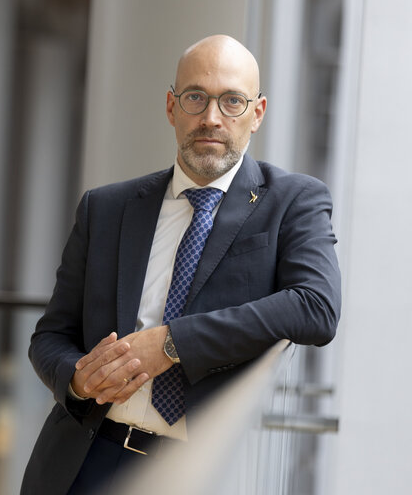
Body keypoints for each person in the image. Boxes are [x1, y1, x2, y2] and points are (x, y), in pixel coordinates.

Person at [20, 34, 341, 494]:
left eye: (232, 101)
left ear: (258, 113)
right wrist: (77, 379)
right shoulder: (106, 208)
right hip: (83, 460)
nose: (211, 118)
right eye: (195, 98)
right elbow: (51, 335)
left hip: (199, 471)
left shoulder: (293, 200)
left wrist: (171, 344)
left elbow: (317, 307)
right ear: (171, 107)